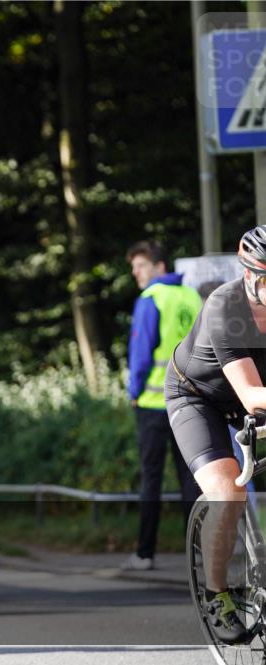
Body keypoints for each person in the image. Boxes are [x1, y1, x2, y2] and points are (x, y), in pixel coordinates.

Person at [168, 225, 266, 644]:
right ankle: (217, 593)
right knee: (228, 491)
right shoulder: (225, 306)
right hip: (197, 398)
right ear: (251, 277)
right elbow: (250, 396)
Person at [122, 241, 202, 571]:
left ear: (159, 266)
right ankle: (197, 553)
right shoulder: (192, 296)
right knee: (192, 479)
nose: (136, 273)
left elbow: (140, 355)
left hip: (155, 404)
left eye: (140, 266)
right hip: (193, 402)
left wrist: (134, 391)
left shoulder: (150, 299)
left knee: (151, 479)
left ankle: (145, 553)